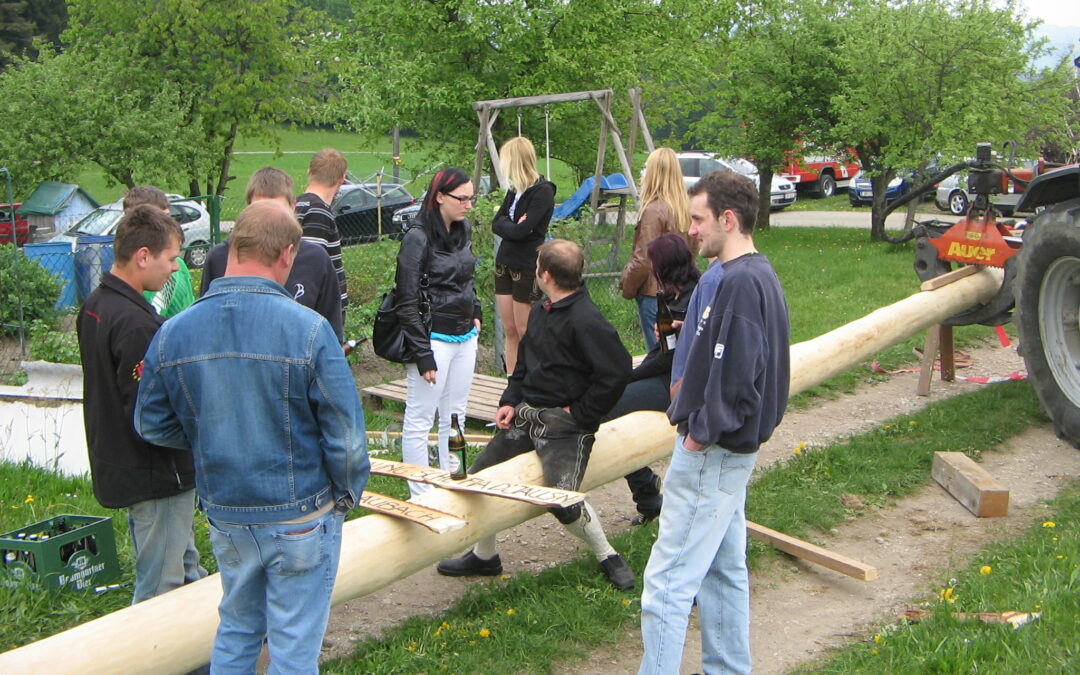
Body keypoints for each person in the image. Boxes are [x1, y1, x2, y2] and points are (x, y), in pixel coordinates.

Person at [135, 200, 369, 673]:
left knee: (238, 629)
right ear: (287, 254)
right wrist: (345, 494)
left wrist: (213, 434)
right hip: (301, 512)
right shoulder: (309, 330)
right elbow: (345, 435)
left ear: (232, 246)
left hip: (228, 512)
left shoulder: (173, 333)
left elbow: (152, 423)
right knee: (294, 647)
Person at [638, 170, 790, 675]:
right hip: (733, 452)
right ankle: (727, 668)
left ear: (728, 219)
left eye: (699, 219)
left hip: (714, 453)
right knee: (723, 571)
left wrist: (700, 433)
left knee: (667, 582)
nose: (692, 231)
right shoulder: (750, 275)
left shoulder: (741, 283)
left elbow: (740, 378)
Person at [437, 239, 636, 591]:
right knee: (481, 480)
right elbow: (525, 364)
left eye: (537, 265)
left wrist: (581, 413)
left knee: (561, 499)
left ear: (545, 274)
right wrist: (510, 399)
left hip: (566, 427)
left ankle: (608, 555)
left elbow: (617, 371)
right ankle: (485, 558)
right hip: (528, 415)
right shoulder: (543, 310)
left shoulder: (586, 320)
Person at [76, 204, 207, 604]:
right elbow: (149, 413)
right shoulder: (135, 324)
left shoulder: (96, 305)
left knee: (186, 566)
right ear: (143, 256)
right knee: (159, 586)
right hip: (156, 474)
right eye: (170, 258)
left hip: (122, 461)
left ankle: (204, 654)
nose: (175, 268)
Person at [394, 168, 482, 497]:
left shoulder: (463, 230)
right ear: (440, 197)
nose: (469, 205)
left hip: (464, 336)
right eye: (463, 198)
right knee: (420, 417)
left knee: (455, 414)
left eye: (471, 197)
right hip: (433, 338)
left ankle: (452, 480)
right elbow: (407, 300)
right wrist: (423, 354)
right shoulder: (417, 238)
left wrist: (475, 311)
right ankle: (420, 494)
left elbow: (467, 277)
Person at [602, 233, 700, 525]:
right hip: (665, 372)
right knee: (609, 397)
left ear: (664, 266)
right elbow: (662, 351)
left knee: (606, 407)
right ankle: (647, 493)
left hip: (677, 385)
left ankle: (646, 493)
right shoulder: (674, 294)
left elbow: (668, 359)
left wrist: (629, 376)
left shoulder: (694, 297)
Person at [201, 167, 344, 342]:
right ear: (247, 209)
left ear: (293, 207)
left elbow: (331, 331)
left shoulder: (316, 259)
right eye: (259, 209)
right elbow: (207, 321)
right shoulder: (221, 256)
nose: (268, 219)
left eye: (277, 209)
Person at [491, 136, 556, 374]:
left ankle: (534, 379)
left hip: (526, 265)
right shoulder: (514, 190)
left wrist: (510, 226)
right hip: (504, 263)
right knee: (509, 329)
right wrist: (511, 225)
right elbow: (496, 223)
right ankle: (512, 380)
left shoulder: (542, 191)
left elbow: (522, 231)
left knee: (524, 329)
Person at [619, 147, 692, 351]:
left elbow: (644, 260)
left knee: (659, 354)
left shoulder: (653, 210)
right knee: (677, 353)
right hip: (683, 291)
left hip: (655, 294)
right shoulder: (686, 209)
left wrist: (627, 286)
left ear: (653, 174)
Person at [123, 186, 196, 318]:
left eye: (168, 218)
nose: (168, 227)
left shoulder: (179, 266)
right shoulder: (128, 280)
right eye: (158, 222)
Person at [296, 148, 348, 323]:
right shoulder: (318, 213)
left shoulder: (295, 205)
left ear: (309, 172)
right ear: (342, 179)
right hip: (319, 317)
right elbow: (310, 269)